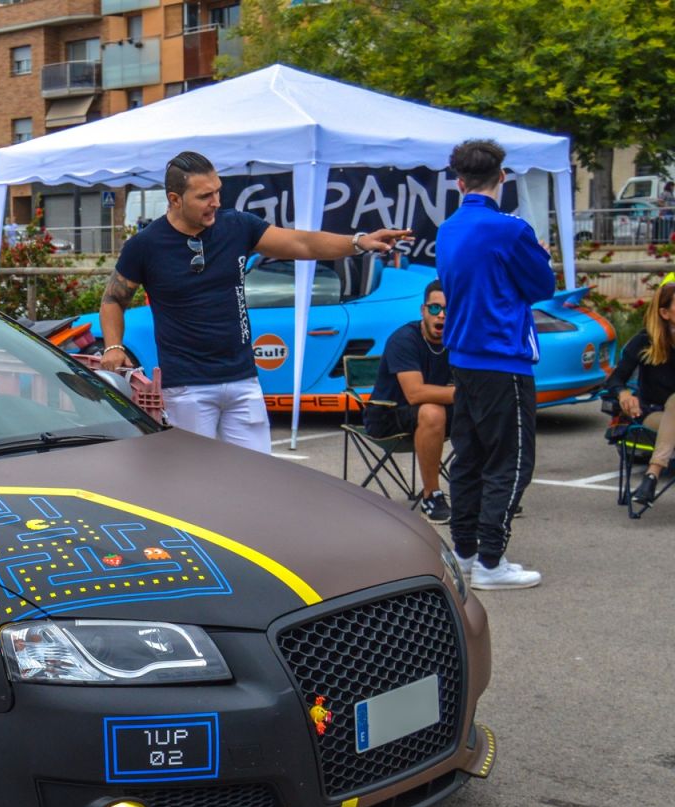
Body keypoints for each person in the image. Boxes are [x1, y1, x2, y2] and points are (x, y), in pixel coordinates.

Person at [99, 151, 410, 452]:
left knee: (259, 474)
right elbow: (113, 299)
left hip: (243, 378)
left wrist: (358, 242)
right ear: (174, 199)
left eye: (218, 191)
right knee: (195, 477)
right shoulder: (145, 245)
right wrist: (114, 346)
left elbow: (301, 243)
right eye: (205, 196)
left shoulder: (237, 226)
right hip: (187, 386)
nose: (216, 202)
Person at [436, 139, 557, 590]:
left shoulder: (448, 229)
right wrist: (540, 254)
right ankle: (491, 561)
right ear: (501, 178)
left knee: (469, 457)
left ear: (459, 182)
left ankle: (466, 551)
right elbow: (541, 286)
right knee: (511, 460)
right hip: (503, 357)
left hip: (463, 356)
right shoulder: (511, 228)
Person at [366, 280, 455, 523]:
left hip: (431, 411)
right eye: (435, 308)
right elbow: (414, 393)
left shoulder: (457, 341)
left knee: (485, 409)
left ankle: (487, 492)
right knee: (433, 411)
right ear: (423, 310)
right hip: (388, 415)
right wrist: (462, 394)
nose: (442, 315)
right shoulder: (404, 339)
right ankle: (431, 496)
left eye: (448, 309)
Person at [607, 279, 675, 508]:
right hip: (655, 413)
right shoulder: (645, 341)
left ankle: (651, 477)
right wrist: (624, 394)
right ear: (665, 313)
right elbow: (615, 379)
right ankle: (653, 473)